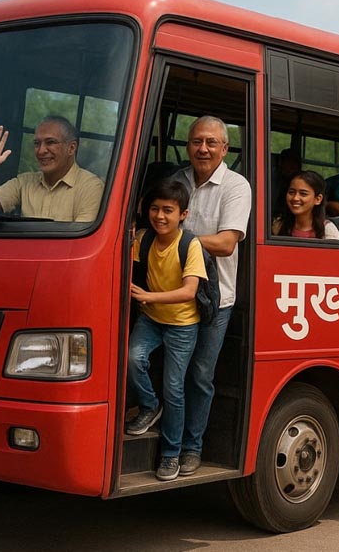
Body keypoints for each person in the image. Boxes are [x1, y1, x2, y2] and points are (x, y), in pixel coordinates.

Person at [174, 116, 251, 476]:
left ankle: (193, 447)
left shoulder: (236, 186)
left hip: (214, 299)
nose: (202, 149)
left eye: (210, 142)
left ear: (225, 148)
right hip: (171, 293)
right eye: (195, 142)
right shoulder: (176, 181)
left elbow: (225, 243)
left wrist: (176, 238)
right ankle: (168, 441)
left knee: (200, 375)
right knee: (162, 368)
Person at [126, 180, 205, 481]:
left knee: (175, 389)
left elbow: (189, 291)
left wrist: (149, 297)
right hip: (151, 318)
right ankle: (149, 405)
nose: (160, 216)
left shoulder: (190, 244)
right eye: (155, 209)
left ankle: (171, 455)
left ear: (183, 214)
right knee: (133, 359)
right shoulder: (144, 239)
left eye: (168, 211)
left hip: (182, 324)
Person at [0, 116, 104, 221]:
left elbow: (80, 245)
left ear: (71, 148)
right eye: (37, 144)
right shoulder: (24, 182)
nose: (41, 151)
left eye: (50, 142)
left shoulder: (91, 187)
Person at [272, 170, 339, 239]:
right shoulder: (278, 225)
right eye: (291, 192)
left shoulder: (328, 231)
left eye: (303, 194)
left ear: (318, 199)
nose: (295, 198)